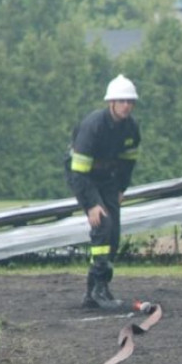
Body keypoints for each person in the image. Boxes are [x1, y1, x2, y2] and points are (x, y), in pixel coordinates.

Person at [65, 75, 141, 310]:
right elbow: (78, 172)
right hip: (84, 177)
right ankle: (96, 290)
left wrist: (121, 188)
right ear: (111, 103)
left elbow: (129, 162)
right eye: (121, 101)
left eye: (129, 101)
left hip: (109, 180)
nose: (126, 105)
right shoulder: (93, 126)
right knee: (102, 225)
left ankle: (97, 289)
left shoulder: (131, 128)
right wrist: (90, 205)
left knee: (114, 233)